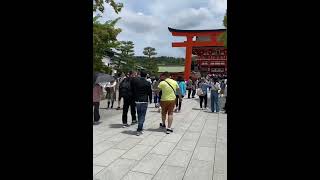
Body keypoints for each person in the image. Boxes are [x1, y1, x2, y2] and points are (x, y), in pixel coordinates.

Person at [131, 71, 152, 136]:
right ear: (146, 76)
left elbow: (133, 90)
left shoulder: (136, 82)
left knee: (139, 113)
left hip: (137, 100)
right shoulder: (148, 83)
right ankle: (139, 129)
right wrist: (150, 99)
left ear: (140, 75)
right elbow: (150, 92)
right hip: (144, 100)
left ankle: (140, 127)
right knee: (142, 114)